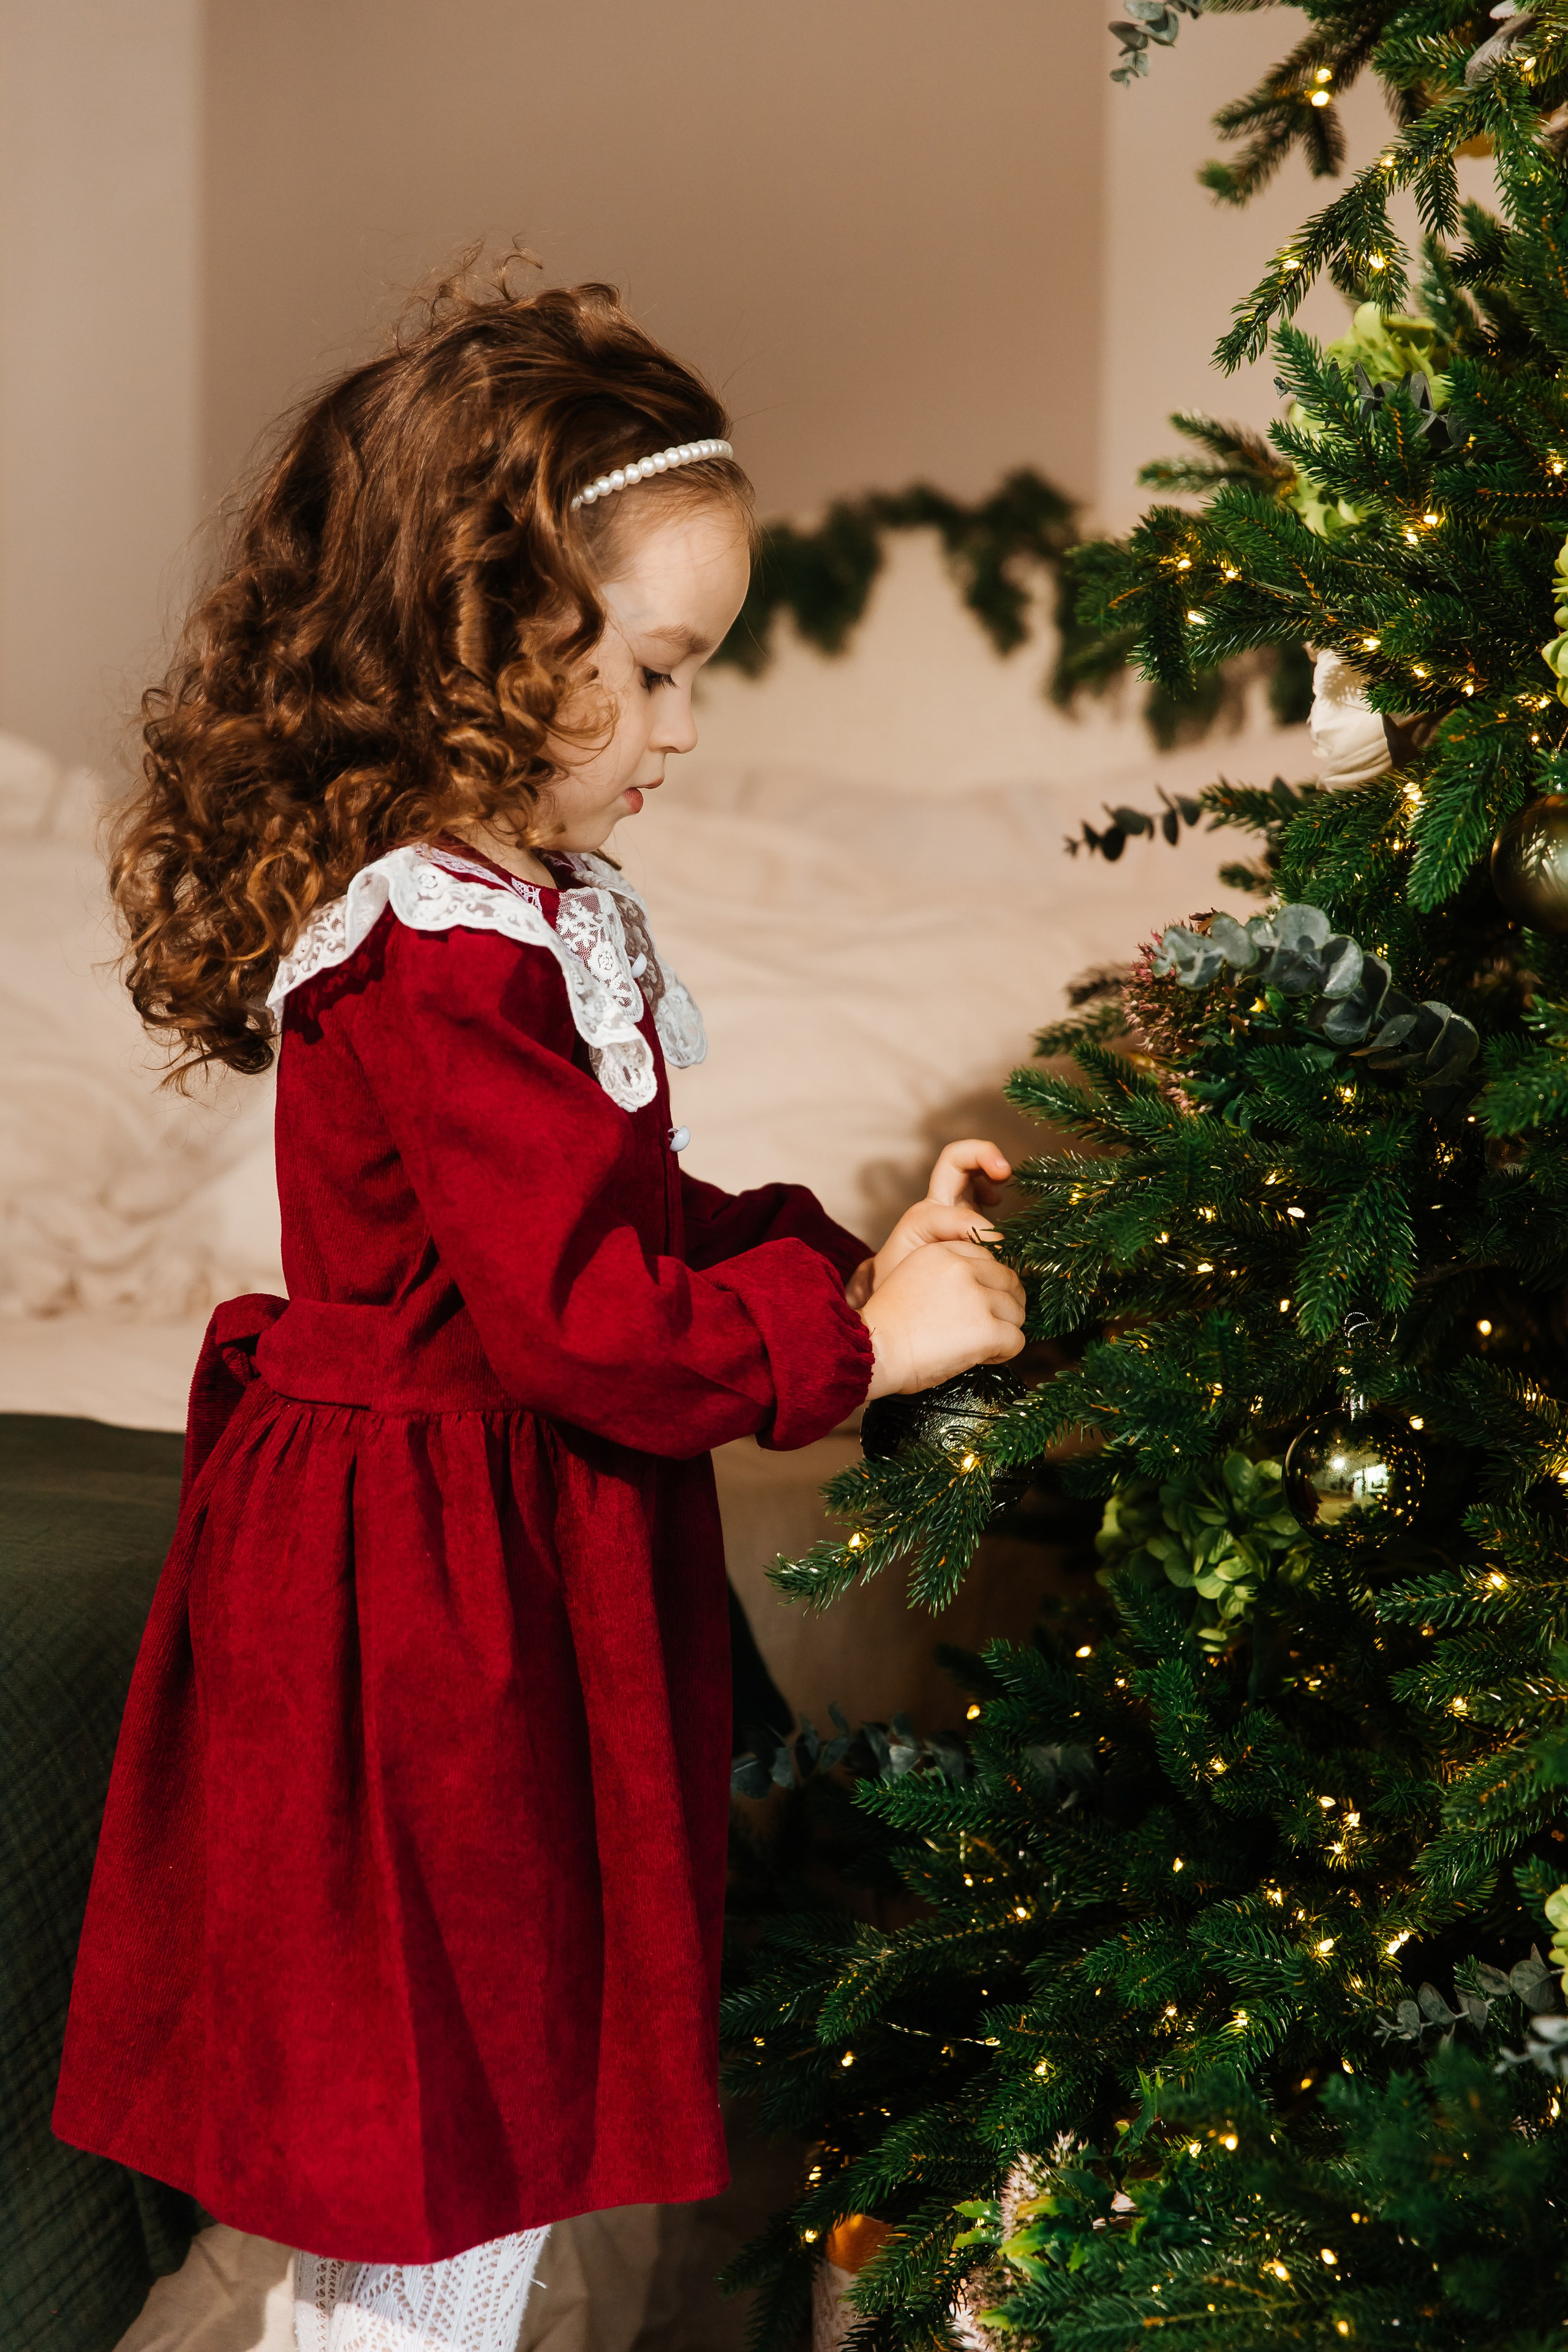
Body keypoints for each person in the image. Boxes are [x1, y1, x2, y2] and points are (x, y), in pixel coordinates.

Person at [51, 263, 1025, 2351]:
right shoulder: (437, 949)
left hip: (515, 1544)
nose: (684, 733)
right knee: (429, 2089)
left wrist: (846, 1265)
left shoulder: (543, 917)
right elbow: (589, 1318)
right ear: (483, 648)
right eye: (657, 674)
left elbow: (636, 1216)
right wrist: (854, 1353)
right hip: (427, 1585)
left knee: (498, 2076)